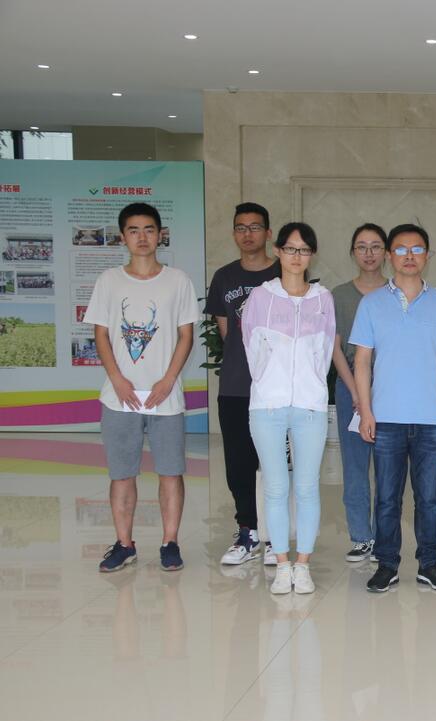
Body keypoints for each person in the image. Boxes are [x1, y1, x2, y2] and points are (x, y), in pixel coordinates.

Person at [352, 224, 436, 593]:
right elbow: (362, 361)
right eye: (401, 249)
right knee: (387, 498)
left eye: (417, 249)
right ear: (390, 256)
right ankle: (387, 564)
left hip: (431, 419)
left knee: (428, 498)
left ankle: (429, 563)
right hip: (386, 419)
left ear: (428, 256)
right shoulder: (372, 304)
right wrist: (366, 411)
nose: (409, 256)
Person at [88, 202, 198, 573]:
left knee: (170, 472)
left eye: (149, 229)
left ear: (160, 234)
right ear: (123, 237)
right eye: (133, 230)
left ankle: (170, 542)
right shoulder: (109, 281)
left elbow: (186, 335)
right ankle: (124, 544)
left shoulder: (178, 281)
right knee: (122, 474)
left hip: (165, 397)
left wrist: (168, 380)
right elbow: (101, 334)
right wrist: (118, 379)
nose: (142, 237)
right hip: (119, 397)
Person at [242, 222, 336, 594]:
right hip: (267, 406)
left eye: (304, 250)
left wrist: (309, 388)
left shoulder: (322, 299)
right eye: (291, 249)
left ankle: (303, 565)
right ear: (278, 251)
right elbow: (252, 351)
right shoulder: (260, 298)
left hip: (310, 407)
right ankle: (282, 564)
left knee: (308, 487)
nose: (297, 256)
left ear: (312, 255)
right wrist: (271, 384)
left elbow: (324, 354)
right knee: (276, 487)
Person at [206, 202, 281, 567]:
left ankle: (275, 535)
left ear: (268, 232)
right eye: (241, 227)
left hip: (278, 388)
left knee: (275, 463)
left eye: (255, 227)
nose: (248, 234)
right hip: (237, 385)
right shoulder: (224, 277)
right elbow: (226, 332)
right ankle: (247, 531)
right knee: (238, 463)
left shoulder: (284, 271)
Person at [331, 223, 387, 563]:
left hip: (389, 388)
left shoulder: (397, 292)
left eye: (375, 246)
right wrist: (355, 390)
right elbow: (335, 348)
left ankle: (384, 537)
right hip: (349, 385)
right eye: (362, 246)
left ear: (386, 252)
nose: (369, 253)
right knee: (355, 465)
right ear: (353, 252)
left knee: (387, 467)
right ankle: (361, 537)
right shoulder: (339, 295)